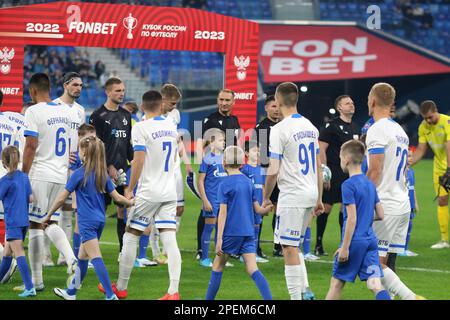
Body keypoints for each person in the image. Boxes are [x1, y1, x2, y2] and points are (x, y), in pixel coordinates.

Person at [102, 90, 182, 300]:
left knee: (130, 234)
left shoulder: (142, 128)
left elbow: (138, 160)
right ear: (161, 104)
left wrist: (129, 188)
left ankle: (121, 286)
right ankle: (173, 291)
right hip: (169, 189)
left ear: (143, 106)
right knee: (170, 239)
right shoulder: (171, 126)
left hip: (149, 190)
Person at [46, 136, 133, 300]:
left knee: (95, 257)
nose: (78, 153)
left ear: (84, 153)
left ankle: (110, 295)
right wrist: (130, 202)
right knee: (83, 258)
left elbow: (61, 198)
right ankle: (71, 292)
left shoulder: (79, 174)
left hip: (86, 222)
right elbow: (117, 198)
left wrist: (49, 214)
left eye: (79, 150)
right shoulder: (103, 175)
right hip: (100, 220)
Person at [263, 82, 324, 300]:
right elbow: (318, 165)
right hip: (309, 193)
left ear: (278, 102)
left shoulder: (279, 129)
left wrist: (265, 196)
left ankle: (295, 297)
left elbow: (273, 168)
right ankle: (305, 290)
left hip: (292, 194)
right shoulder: (310, 126)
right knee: (295, 244)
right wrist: (319, 197)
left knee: (287, 247)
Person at [366, 82, 424, 300]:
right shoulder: (399, 130)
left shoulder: (376, 129)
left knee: (375, 265)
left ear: (372, 101)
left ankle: (412, 298)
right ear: (391, 103)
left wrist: (364, 200)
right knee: (387, 263)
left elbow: (375, 169)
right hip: (402, 203)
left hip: (385, 204)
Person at [22, 73, 77, 292]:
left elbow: (30, 146)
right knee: (50, 222)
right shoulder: (65, 111)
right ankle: (72, 258)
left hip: (40, 174)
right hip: (60, 175)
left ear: (32, 91)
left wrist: (22, 176)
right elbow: (72, 149)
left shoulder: (33, 111)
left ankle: (36, 282)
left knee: (36, 225)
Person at [325, 140, 390, 300]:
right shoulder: (369, 183)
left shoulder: (348, 185)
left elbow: (352, 218)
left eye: (340, 157)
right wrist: (365, 217)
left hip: (355, 241)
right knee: (375, 284)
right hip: (371, 241)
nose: (340, 160)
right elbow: (381, 214)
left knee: (336, 283)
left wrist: (345, 248)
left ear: (346, 159)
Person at [205, 146, 272, 300]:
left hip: (231, 233)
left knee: (217, 265)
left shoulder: (224, 184)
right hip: (248, 233)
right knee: (253, 268)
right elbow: (257, 209)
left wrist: (219, 238)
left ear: (223, 163)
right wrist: (266, 209)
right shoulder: (248, 182)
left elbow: (222, 213)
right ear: (242, 163)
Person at [89, 77, 132, 259]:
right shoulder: (97, 116)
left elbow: (127, 144)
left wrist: (133, 164)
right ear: (108, 92)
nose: (121, 93)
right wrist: (107, 166)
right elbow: (94, 146)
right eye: (117, 91)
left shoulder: (126, 115)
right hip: (102, 171)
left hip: (122, 172)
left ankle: (122, 251)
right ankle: (92, 252)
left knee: (123, 208)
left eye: (123, 90)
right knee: (100, 210)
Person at [46, 71, 86, 267]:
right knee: (50, 211)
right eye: (75, 85)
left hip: (74, 167)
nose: (78, 88)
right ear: (65, 85)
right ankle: (46, 255)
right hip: (55, 165)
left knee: (69, 209)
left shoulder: (80, 110)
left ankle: (64, 255)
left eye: (81, 86)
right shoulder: (52, 107)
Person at [195, 89, 241, 260]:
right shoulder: (210, 120)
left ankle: (225, 247)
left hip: (229, 170)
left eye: (227, 100)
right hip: (212, 171)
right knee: (207, 209)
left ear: (233, 102)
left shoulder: (234, 120)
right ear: (217, 100)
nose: (224, 103)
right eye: (221, 99)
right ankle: (202, 249)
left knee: (225, 209)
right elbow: (201, 144)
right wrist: (204, 163)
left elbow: (236, 144)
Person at [316, 95, 360, 256]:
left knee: (346, 207)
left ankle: (344, 243)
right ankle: (318, 244)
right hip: (334, 173)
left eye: (352, 102)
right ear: (339, 107)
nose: (351, 105)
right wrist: (325, 173)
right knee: (327, 207)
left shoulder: (355, 127)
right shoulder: (332, 126)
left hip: (349, 175)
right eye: (347, 103)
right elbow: (321, 149)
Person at [411, 100, 450, 249]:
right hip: (439, 169)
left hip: (448, 168)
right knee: (442, 201)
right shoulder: (423, 127)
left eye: (430, 117)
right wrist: (408, 164)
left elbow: (449, 146)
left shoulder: (447, 122)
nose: (428, 120)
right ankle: (445, 240)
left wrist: (449, 169)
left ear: (436, 111)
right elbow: (421, 150)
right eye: (425, 118)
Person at [0, 146, 35, 298]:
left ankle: (29, 287)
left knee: (18, 253)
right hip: (24, 221)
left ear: (4, 162)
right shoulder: (24, 177)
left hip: (13, 221)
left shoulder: (5, 180)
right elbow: (31, 198)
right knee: (7, 252)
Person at [253, 95, 281, 258]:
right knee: (262, 209)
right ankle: (255, 246)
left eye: (278, 106)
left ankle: (278, 245)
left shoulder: (284, 126)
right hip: (265, 173)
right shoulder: (261, 127)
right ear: (266, 108)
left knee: (279, 210)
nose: (276, 109)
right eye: (273, 106)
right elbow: (260, 155)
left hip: (282, 173)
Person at [198, 128, 228, 267]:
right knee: (209, 228)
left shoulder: (225, 158)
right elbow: (200, 181)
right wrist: (205, 200)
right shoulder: (207, 159)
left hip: (224, 201)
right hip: (211, 200)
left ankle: (219, 258)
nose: (224, 142)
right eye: (221, 140)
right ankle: (204, 258)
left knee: (221, 229)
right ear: (212, 142)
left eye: (224, 140)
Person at [240, 140, 268, 263]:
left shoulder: (261, 169)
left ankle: (254, 253)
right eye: (254, 150)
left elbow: (262, 186)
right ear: (246, 153)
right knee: (248, 229)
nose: (257, 153)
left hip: (259, 204)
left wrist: (265, 200)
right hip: (249, 204)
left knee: (256, 228)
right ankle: (244, 254)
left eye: (258, 151)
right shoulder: (244, 170)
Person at [401, 148, 419, 257]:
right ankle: (401, 248)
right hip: (404, 203)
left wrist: (416, 203)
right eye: (408, 156)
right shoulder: (402, 172)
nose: (410, 158)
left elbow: (413, 188)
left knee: (409, 225)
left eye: (411, 156)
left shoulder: (411, 171)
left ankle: (405, 248)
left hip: (411, 203)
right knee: (403, 226)